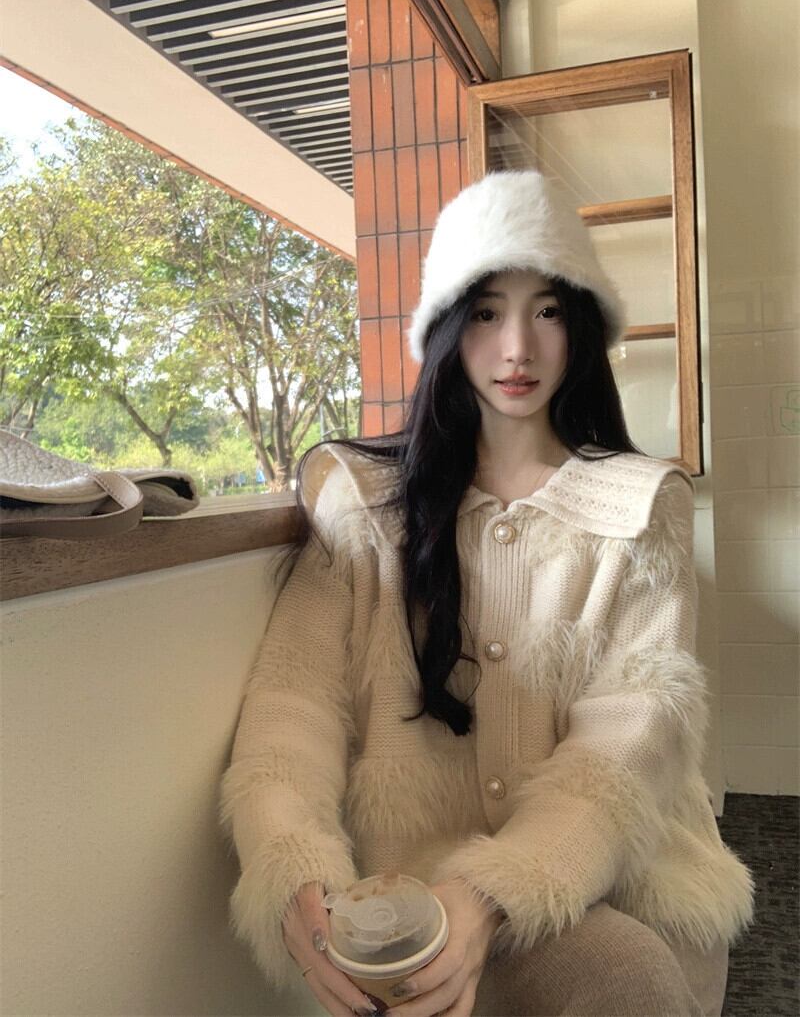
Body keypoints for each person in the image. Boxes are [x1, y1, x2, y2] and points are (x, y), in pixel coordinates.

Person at [220, 170, 754, 1017]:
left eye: (548, 310)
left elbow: (635, 731)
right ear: (446, 329)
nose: (517, 349)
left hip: (617, 878)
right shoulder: (364, 508)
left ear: (580, 327)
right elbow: (293, 706)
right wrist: (295, 871)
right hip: (417, 899)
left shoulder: (641, 506)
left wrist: (495, 892)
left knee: (625, 974)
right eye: (485, 312)